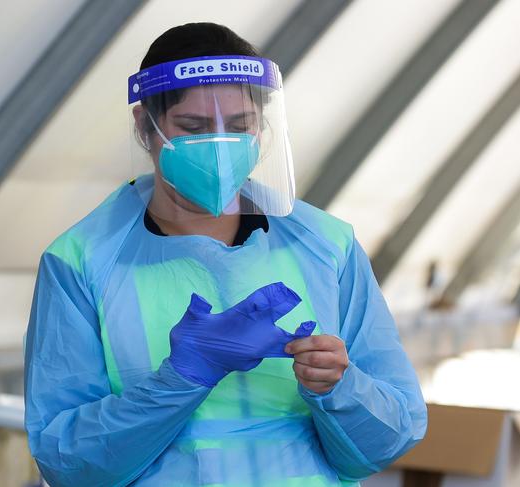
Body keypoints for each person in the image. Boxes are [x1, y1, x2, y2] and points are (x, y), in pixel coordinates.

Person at [24, 22, 427, 487]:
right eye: (193, 128)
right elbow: (68, 464)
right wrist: (181, 379)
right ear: (144, 126)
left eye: (239, 127)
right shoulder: (81, 261)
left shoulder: (327, 244)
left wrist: (340, 387)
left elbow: (390, 441)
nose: (219, 150)